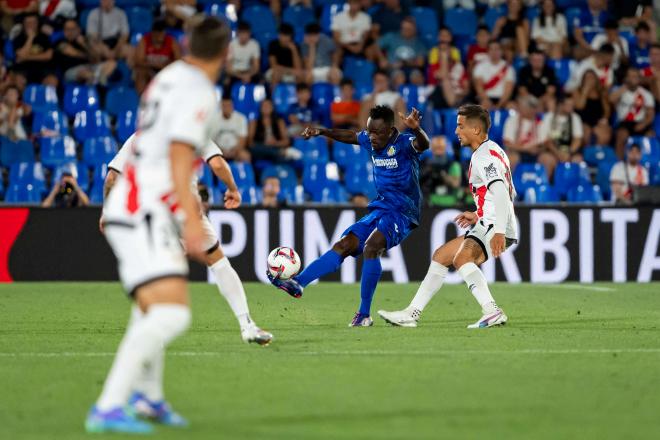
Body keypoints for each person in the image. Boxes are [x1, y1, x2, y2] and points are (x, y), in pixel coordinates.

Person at [86, 16, 240, 434]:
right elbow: (177, 153)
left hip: (135, 204)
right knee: (172, 315)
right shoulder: (200, 92)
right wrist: (191, 222)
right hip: (145, 210)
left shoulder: (168, 77)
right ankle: (108, 406)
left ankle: (149, 399)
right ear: (227, 52)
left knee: (150, 308)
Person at [101, 132, 270, 346]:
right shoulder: (192, 129)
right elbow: (217, 164)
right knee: (218, 261)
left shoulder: (141, 135)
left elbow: (112, 178)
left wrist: (107, 211)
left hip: (149, 212)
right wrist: (233, 189)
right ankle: (247, 325)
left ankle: (144, 331)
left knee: (152, 274)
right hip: (182, 209)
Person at [268, 106, 430, 327]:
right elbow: (351, 136)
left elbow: (424, 145)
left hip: (403, 211)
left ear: (390, 130)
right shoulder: (371, 140)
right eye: (369, 131)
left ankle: (364, 314)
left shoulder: (404, 144)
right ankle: (299, 283)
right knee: (345, 244)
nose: (371, 137)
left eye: (376, 133)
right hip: (381, 207)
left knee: (372, 247)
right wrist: (322, 131)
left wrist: (417, 129)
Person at [378, 104, 517, 329]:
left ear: (476, 130)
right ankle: (411, 314)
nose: (456, 131)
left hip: (496, 223)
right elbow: (502, 192)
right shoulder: (492, 151)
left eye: (461, 126)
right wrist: (478, 213)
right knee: (442, 255)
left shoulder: (484, 157)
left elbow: (501, 192)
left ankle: (492, 311)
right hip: (490, 219)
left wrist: (499, 229)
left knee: (462, 258)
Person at [56, 19, 117, 85]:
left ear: (78, 30)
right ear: (64, 31)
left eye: (73, 29)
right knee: (84, 72)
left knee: (112, 63)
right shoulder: (61, 43)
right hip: (72, 70)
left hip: (90, 67)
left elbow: (96, 60)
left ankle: (95, 81)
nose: (70, 32)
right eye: (67, 29)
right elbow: (76, 53)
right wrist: (87, 55)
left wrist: (84, 45)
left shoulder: (85, 41)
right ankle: (100, 82)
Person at [610, 67, 655, 158]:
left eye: (634, 77)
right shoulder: (619, 91)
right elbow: (611, 99)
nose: (632, 79)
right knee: (621, 135)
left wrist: (643, 124)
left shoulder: (646, 94)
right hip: (624, 123)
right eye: (629, 76)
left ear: (639, 79)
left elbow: (650, 114)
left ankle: (647, 164)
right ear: (626, 78)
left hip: (640, 122)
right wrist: (625, 87)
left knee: (651, 136)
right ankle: (620, 164)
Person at [502, 95, 549, 173]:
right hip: (517, 151)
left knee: (547, 159)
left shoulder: (540, 122)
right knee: (510, 159)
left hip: (536, 153)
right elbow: (508, 144)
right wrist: (526, 149)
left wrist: (538, 149)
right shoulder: (512, 120)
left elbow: (544, 144)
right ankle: (508, 184)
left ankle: (544, 184)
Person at [134, 19, 181, 94]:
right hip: (148, 69)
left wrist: (165, 66)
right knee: (141, 73)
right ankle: (142, 99)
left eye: (162, 33)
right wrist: (154, 65)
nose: (160, 36)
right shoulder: (144, 40)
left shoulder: (171, 41)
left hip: (165, 70)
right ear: (153, 33)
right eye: (157, 34)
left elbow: (178, 61)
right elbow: (139, 61)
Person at [540, 96, 584, 171]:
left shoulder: (575, 117)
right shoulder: (548, 117)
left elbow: (577, 139)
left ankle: (573, 182)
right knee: (547, 160)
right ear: (561, 105)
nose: (572, 107)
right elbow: (545, 140)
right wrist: (557, 153)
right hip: (552, 151)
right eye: (569, 105)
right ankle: (548, 182)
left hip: (569, 151)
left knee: (578, 160)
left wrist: (569, 153)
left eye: (572, 105)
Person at [331, 0, 380, 65]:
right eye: (352, 4)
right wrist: (349, 47)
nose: (354, 6)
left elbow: (366, 35)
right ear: (348, 4)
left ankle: (368, 71)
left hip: (360, 44)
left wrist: (360, 46)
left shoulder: (365, 17)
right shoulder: (338, 17)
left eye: (356, 4)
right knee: (336, 52)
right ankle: (335, 71)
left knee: (370, 50)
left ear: (360, 5)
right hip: (344, 44)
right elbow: (336, 37)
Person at [378, 17, 426, 81]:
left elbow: (420, 63)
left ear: (414, 30)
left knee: (417, 77)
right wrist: (382, 58)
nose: (406, 31)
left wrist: (404, 63)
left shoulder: (419, 44)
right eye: (404, 29)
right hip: (393, 70)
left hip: (412, 70)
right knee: (399, 76)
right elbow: (376, 46)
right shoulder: (392, 37)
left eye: (409, 29)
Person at [420, 135, 463, 207]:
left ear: (445, 147)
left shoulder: (453, 164)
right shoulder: (425, 164)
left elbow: (456, 184)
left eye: (441, 148)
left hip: (450, 203)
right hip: (431, 204)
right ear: (432, 148)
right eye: (436, 148)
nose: (438, 151)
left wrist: (442, 175)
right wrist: (427, 173)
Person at [472, 40, 516, 110]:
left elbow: (508, 90)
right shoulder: (479, 66)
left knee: (512, 107)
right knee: (482, 107)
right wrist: (487, 101)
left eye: (496, 49)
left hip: (503, 99)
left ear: (501, 51)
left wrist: (499, 105)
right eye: (491, 49)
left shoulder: (509, 68)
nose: (494, 52)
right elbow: (479, 87)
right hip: (485, 98)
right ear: (488, 51)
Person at [12, 13, 54, 84]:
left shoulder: (44, 37)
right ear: (23, 24)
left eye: (33, 22)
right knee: (18, 81)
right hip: (24, 69)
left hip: (43, 68)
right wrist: (30, 38)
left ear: (37, 23)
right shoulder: (18, 39)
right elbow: (21, 55)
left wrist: (26, 57)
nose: (30, 25)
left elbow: (48, 56)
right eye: (28, 23)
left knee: (52, 81)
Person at [574, 69, 612, 145]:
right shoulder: (577, 91)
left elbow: (607, 111)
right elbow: (579, 107)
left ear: (596, 80)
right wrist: (585, 91)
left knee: (604, 133)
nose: (590, 80)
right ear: (583, 80)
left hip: (598, 121)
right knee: (586, 132)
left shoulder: (601, 92)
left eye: (592, 78)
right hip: (582, 121)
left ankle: (598, 153)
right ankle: (587, 153)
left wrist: (604, 120)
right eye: (587, 78)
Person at [216, 95, 250, 162]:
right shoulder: (214, 118)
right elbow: (211, 140)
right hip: (218, 151)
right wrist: (220, 151)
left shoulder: (241, 118)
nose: (226, 108)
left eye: (228, 105)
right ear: (220, 106)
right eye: (224, 106)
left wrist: (235, 151)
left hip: (236, 151)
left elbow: (242, 140)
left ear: (233, 106)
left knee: (245, 156)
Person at [225, 21, 260, 86]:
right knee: (227, 83)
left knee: (261, 83)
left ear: (250, 34)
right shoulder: (231, 45)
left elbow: (256, 67)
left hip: (248, 72)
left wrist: (248, 75)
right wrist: (241, 76)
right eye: (242, 34)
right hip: (235, 72)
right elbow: (228, 68)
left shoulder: (254, 44)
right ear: (238, 33)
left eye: (246, 34)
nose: (244, 36)